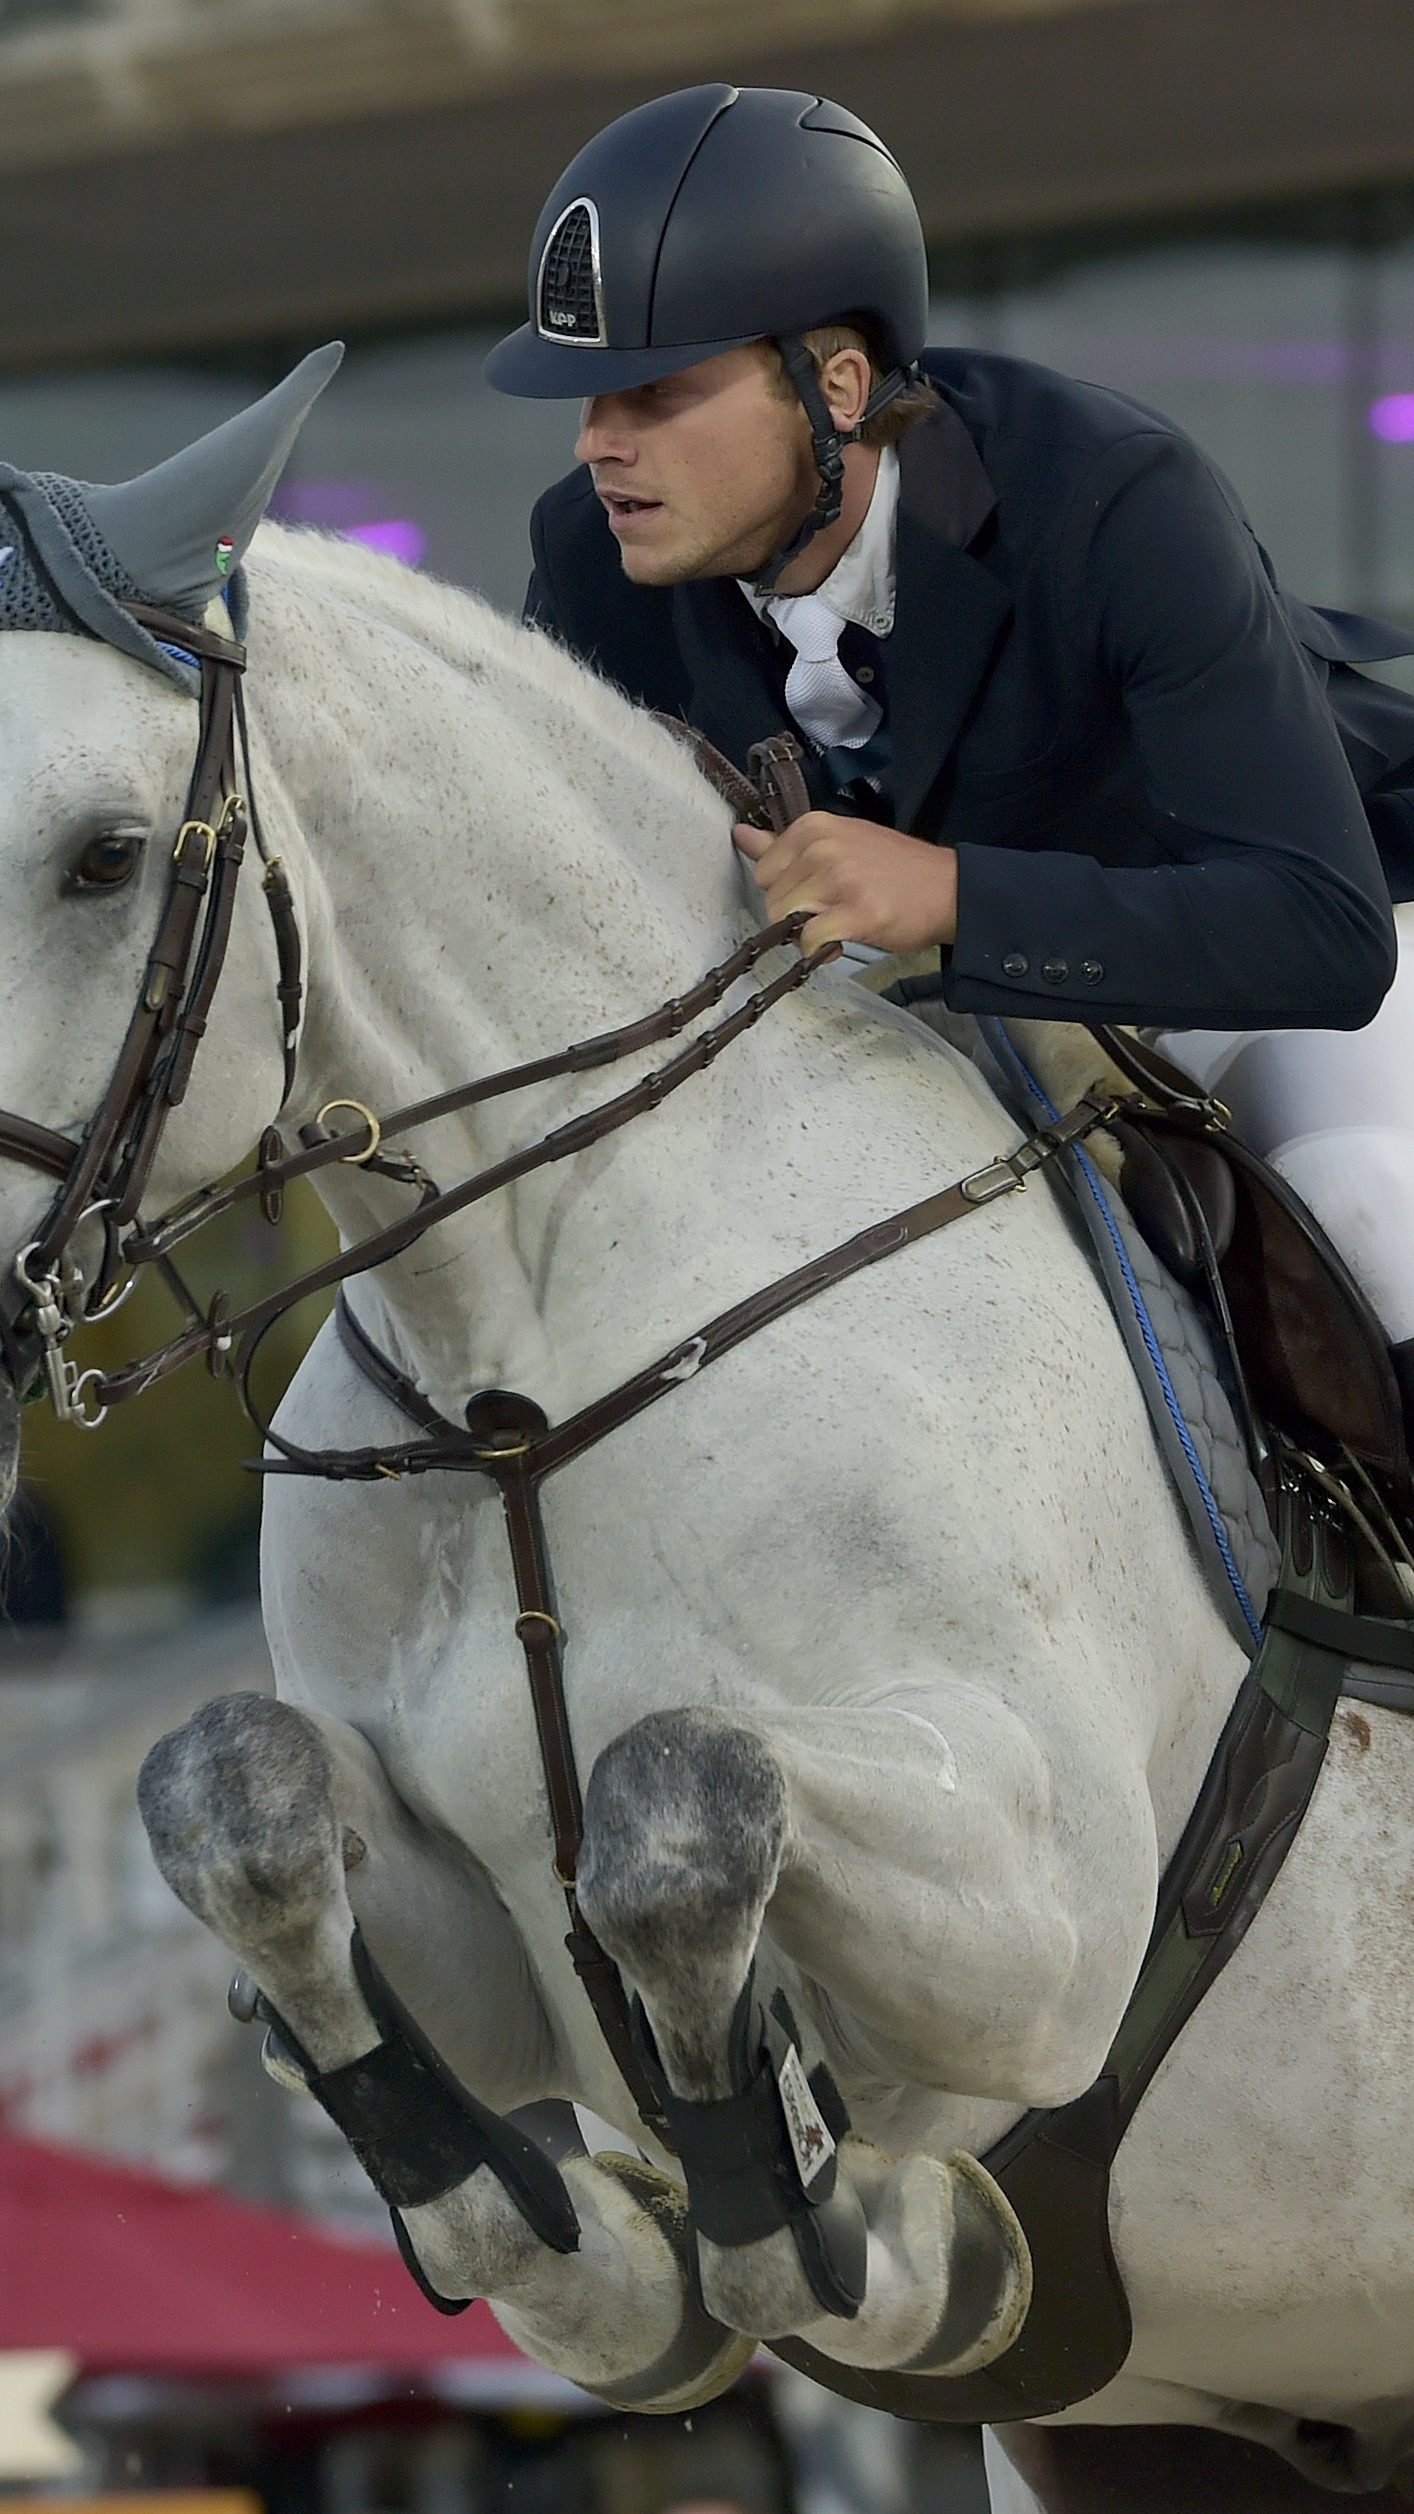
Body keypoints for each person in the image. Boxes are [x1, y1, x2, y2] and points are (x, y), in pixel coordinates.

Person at [485, 82, 1414, 1381]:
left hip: (1239, 970)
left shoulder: (1110, 498)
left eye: (656, 393)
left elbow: (1323, 932)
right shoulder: (591, 565)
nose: (596, 444)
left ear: (839, 385)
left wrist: (955, 894)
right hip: (909, 1017)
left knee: (1369, 1218)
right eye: (588, 400)